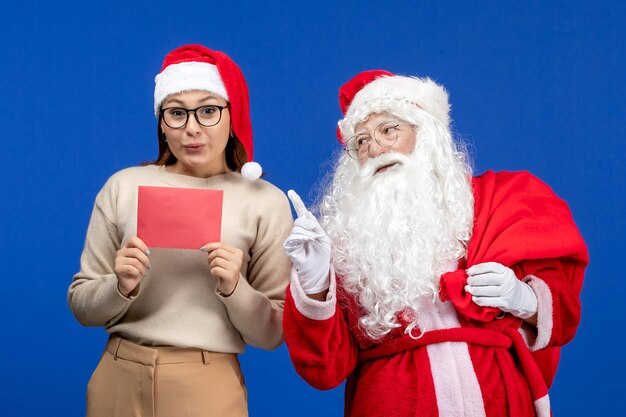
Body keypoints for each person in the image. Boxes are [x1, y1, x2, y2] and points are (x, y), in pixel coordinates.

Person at [282, 70, 588, 417]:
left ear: (425, 133)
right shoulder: (345, 239)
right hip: (391, 402)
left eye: (388, 130)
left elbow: (564, 310)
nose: (375, 148)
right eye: (361, 142)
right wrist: (315, 282)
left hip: (500, 398)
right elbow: (324, 369)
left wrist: (525, 298)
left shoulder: (502, 201)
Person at [68, 44, 292, 417]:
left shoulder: (263, 201)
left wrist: (235, 288)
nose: (192, 128)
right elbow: (82, 305)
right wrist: (119, 286)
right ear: (160, 121)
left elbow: (274, 334)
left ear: (231, 114)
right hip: (117, 376)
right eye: (176, 113)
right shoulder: (123, 186)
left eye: (208, 111)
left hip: (207, 383)